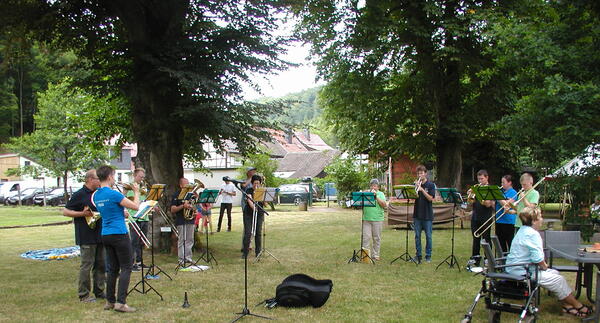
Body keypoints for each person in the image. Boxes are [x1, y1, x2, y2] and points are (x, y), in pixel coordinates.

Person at [506, 207, 593, 318]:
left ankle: (567, 305)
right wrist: (544, 266)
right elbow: (538, 259)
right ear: (533, 221)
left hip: (514, 267)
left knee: (555, 273)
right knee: (558, 280)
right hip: (523, 271)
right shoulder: (533, 234)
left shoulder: (522, 230)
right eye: (540, 217)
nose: (542, 219)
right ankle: (578, 305)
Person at [93, 165, 140, 313]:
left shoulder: (96, 195)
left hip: (105, 233)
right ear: (109, 177)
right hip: (119, 233)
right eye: (113, 176)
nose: (114, 179)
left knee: (112, 268)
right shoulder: (114, 194)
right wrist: (136, 192)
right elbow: (136, 206)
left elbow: (108, 210)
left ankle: (110, 301)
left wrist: (121, 212)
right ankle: (121, 302)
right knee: (126, 267)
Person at [63, 169, 105, 303]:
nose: (100, 181)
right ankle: (84, 294)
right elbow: (65, 211)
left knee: (101, 264)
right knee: (87, 265)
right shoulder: (79, 194)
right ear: (90, 180)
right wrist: (82, 214)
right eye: (98, 179)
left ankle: (99, 291)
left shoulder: (99, 194)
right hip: (86, 235)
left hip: (100, 233)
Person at [469, 169, 495, 266]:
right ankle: (475, 257)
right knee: (475, 237)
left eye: (482, 179)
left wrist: (479, 195)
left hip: (486, 217)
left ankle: (487, 258)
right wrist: (471, 195)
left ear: (487, 178)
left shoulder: (490, 189)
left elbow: (488, 204)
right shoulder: (476, 187)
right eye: (478, 179)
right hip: (475, 216)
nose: (480, 181)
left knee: (486, 238)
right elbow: (471, 202)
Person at [124, 168, 147, 272]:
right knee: (134, 241)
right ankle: (131, 263)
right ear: (134, 175)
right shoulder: (128, 187)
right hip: (133, 217)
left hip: (144, 216)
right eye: (140, 177)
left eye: (143, 177)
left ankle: (139, 261)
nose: (141, 179)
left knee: (141, 241)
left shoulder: (143, 188)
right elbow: (123, 199)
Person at [412, 166, 435, 263]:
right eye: (418, 173)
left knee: (428, 236)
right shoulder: (417, 185)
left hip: (427, 214)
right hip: (417, 213)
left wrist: (422, 190)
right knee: (417, 236)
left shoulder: (430, 185)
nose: (420, 175)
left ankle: (428, 255)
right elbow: (413, 196)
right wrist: (415, 189)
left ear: (425, 173)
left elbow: (430, 198)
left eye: (421, 173)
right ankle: (418, 255)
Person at [170, 177, 195, 265]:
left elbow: (195, 206)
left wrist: (193, 208)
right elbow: (173, 209)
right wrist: (183, 206)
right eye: (185, 184)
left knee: (190, 240)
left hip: (190, 220)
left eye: (188, 184)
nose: (188, 186)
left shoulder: (191, 195)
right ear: (181, 185)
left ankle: (188, 257)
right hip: (181, 220)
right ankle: (181, 259)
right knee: (182, 240)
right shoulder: (176, 195)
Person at [362, 178, 387, 261]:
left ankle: (375, 255)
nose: (373, 187)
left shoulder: (381, 194)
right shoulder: (366, 193)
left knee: (376, 238)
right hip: (366, 219)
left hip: (377, 219)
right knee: (366, 237)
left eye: (375, 186)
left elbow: (384, 205)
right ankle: (365, 256)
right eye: (372, 185)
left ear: (378, 187)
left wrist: (376, 197)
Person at [242, 174, 265, 258]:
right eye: (255, 183)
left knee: (258, 233)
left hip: (259, 213)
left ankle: (258, 252)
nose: (256, 185)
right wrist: (254, 208)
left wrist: (266, 199)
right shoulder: (249, 190)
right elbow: (249, 200)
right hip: (248, 213)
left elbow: (265, 204)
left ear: (260, 183)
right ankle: (245, 252)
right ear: (252, 183)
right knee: (248, 233)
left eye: (258, 183)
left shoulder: (262, 191)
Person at [494, 175, 518, 253]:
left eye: (503, 182)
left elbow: (507, 205)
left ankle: (511, 259)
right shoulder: (501, 192)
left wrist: (498, 197)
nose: (502, 184)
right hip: (499, 220)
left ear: (509, 183)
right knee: (500, 243)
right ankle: (502, 259)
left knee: (510, 241)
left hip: (508, 221)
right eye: (501, 182)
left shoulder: (513, 192)